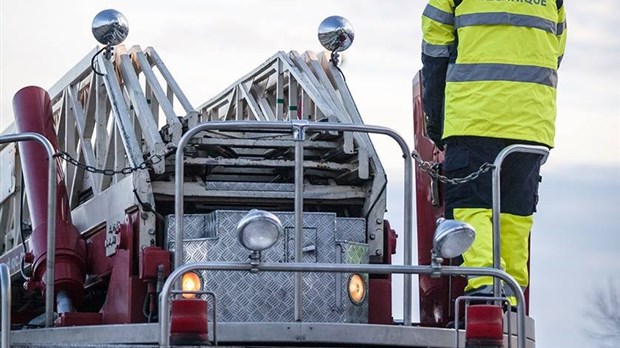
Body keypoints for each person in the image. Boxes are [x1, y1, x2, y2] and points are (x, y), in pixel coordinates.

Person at [421, 0, 567, 306]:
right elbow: (556, 53)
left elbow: (435, 53)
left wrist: (435, 121)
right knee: (515, 211)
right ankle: (512, 296)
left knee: (469, 204)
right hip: (531, 122)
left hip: (475, 116)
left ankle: (486, 284)